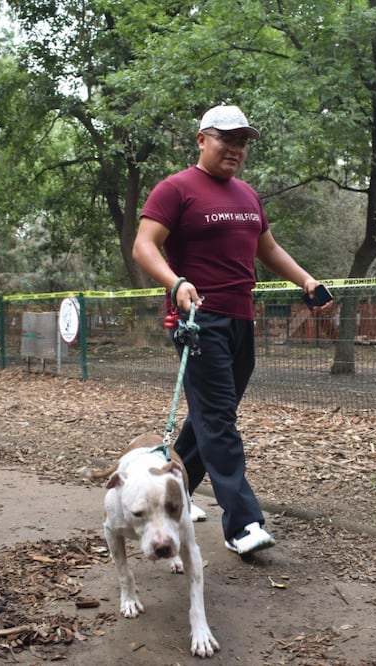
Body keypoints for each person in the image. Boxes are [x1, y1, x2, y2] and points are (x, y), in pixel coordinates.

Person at [132, 104, 329, 556]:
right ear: (202, 139)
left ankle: (170, 492)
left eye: (242, 141)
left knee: (210, 417)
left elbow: (269, 249)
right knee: (219, 418)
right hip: (199, 320)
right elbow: (144, 245)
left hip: (241, 318)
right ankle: (242, 524)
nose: (236, 148)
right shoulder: (175, 189)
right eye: (227, 138)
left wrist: (306, 280)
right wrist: (175, 282)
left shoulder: (247, 195)